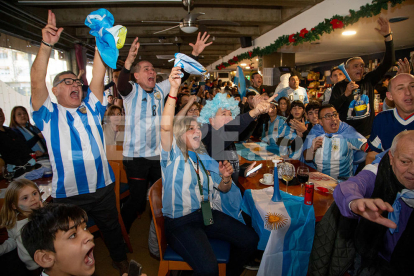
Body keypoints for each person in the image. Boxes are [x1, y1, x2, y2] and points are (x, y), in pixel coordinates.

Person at [30, 11, 128, 273]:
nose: (75, 84)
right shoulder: (48, 114)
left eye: (77, 81)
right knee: (69, 242)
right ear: (55, 91)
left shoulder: (92, 108)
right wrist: (46, 44)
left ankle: (120, 261)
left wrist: (102, 39)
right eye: (67, 81)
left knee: (111, 228)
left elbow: (97, 75)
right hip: (69, 194)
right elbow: (36, 80)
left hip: (103, 186)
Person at [160, 68, 259, 276]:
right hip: (180, 223)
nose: (197, 131)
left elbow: (221, 190)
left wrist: (225, 178)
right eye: (190, 129)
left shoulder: (204, 157)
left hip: (205, 216)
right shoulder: (173, 154)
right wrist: (174, 91)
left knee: (250, 240)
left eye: (198, 128)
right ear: (180, 134)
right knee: (208, 268)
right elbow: (167, 126)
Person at [117, 32, 212, 233]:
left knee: (165, 194)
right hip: (136, 157)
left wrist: (193, 54)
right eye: (145, 69)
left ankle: (164, 230)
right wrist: (128, 63)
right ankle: (122, 233)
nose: (151, 71)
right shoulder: (132, 91)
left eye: (152, 68)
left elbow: (180, 74)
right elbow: (121, 85)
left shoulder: (161, 89)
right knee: (137, 201)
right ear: (136, 76)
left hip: (159, 154)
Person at [333, 130, 414, 275]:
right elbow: (349, 186)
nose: (413, 170)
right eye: (405, 162)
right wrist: (354, 202)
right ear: (391, 157)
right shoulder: (381, 169)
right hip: (373, 262)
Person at [329, 17, 395, 137]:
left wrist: (388, 37)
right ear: (346, 70)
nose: (360, 68)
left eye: (362, 66)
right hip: (346, 135)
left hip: (368, 135)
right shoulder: (339, 87)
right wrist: (346, 94)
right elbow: (332, 108)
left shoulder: (368, 80)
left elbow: (388, 63)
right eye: (355, 66)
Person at [199, 93, 271, 183]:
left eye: (230, 114)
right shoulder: (209, 137)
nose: (229, 118)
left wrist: (243, 171)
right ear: (211, 120)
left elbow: (227, 167)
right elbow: (230, 129)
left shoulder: (226, 138)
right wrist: (255, 111)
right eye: (223, 114)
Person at [303, 104, 367, 179]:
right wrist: (312, 149)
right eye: (328, 116)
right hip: (320, 181)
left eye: (335, 115)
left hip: (342, 184)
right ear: (320, 121)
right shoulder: (316, 132)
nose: (333, 119)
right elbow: (307, 158)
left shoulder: (347, 132)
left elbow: (368, 147)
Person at [367, 73, 414, 163]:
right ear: (390, 96)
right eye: (400, 88)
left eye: (412, 86)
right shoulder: (382, 119)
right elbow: (373, 155)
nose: (408, 92)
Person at [0, 179, 43, 273]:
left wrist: (44, 215)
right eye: (25, 198)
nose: (33, 199)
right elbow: (13, 240)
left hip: (51, 260)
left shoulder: (44, 215)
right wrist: (2, 249)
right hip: (35, 267)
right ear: (14, 205)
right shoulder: (13, 222)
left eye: (34, 193)